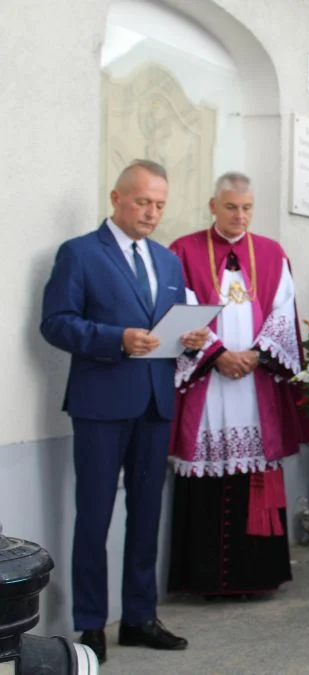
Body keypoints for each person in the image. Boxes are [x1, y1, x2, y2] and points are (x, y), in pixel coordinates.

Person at [40, 160, 203, 663]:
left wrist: (190, 342)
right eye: (142, 202)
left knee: (147, 514)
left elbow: (167, 331)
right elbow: (56, 323)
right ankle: (90, 624)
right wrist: (116, 339)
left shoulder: (168, 261)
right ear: (116, 198)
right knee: (94, 515)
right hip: (100, 404)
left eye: (159, 204)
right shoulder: (80, 254)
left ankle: (138, 617)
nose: (152, 212)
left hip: (156, 402)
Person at [166, 173, 308, 599]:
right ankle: (204, 577)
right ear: (213, 205)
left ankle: (257, 576)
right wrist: (217, 354)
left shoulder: (270, 251)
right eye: (231, 207)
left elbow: (284, 310)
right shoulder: (185, 250)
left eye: (247, 207)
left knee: (254, 472)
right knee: (206, 480)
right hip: (209, 384)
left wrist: (257, 354)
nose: (240, 215)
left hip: (254, 383)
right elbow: (179, 307)